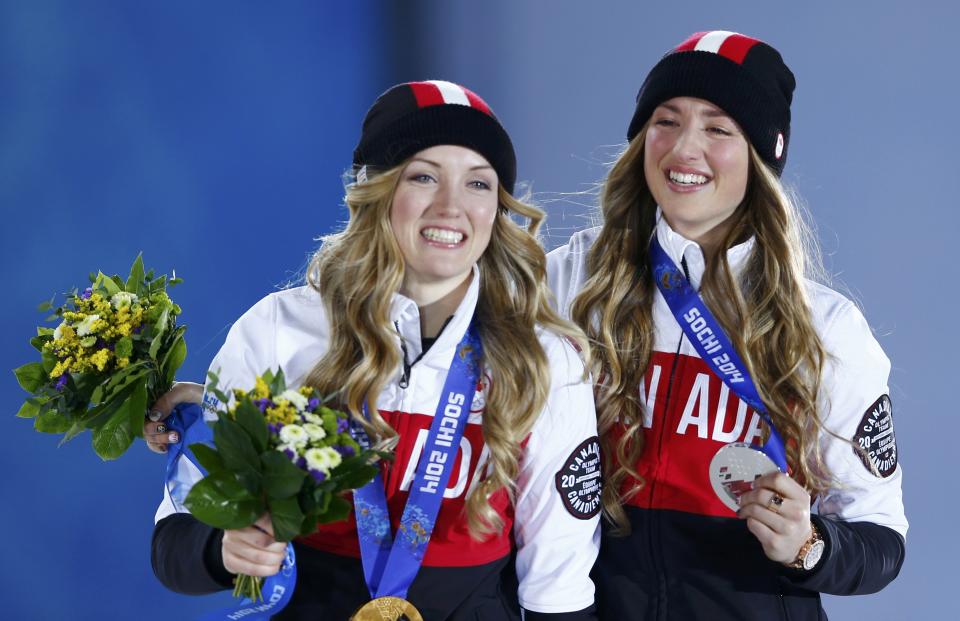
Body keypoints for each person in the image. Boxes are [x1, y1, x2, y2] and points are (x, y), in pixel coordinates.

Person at [148, 80, 602, 620]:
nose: (452, 206)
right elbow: (173, 541)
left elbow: (560, 588)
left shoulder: (543, 361)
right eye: (424, 176)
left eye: (478, 183)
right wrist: (222, 551)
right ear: (375, 190)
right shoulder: (280, 331)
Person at [546, 31, 907, 620]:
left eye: (718, 128)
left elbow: (882, 541)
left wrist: (808, 546)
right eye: (666, 121)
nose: (684, 149)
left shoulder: (826, 328)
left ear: (761, 157)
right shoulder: (568, 283)